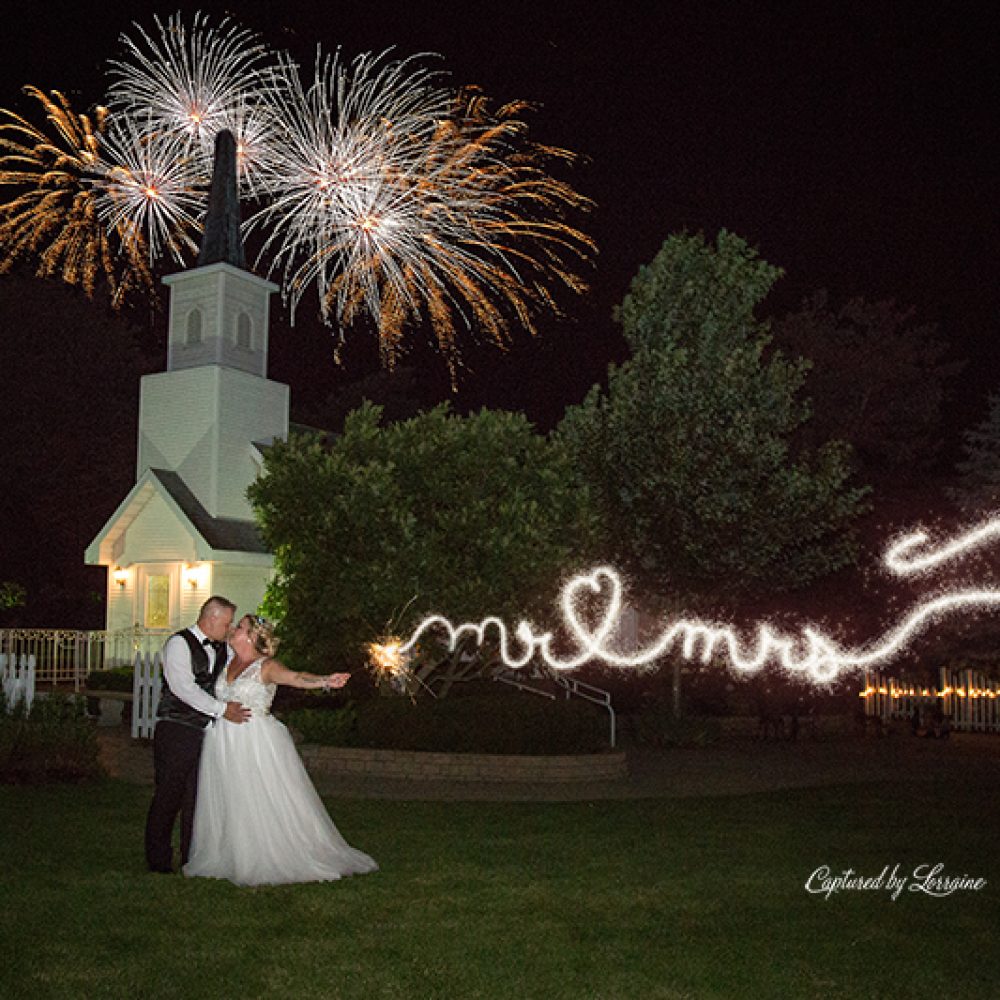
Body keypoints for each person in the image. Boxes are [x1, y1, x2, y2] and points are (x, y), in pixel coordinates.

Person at [184, 614, 377, 886]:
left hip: (254, 741)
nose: (234, 628)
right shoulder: (228, 659)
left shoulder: (266, 666)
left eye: (239, 626)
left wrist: (324, 681)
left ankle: (262, 856)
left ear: (251, 636)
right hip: (223, 739)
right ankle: (228, 854)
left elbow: (296, 677)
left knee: (255, 797)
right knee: (228, 796)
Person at [145, 596, 251, 874]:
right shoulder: (178, 644)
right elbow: (184, 688)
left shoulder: (223, 649)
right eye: (227, 623)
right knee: (169, 794)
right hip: (177, 729)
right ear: (211, 618)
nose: (229, 629)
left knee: (197, 797)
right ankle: (158, 859)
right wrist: (221, 710)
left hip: (207, 733)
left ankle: (192, 856)